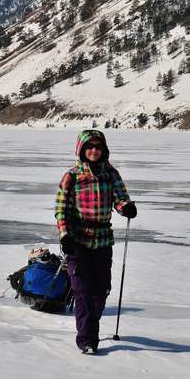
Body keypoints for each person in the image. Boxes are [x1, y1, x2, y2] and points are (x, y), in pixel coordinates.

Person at [54, 129, 137, 355]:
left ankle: (90, 326)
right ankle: (87, 339)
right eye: (89, 147)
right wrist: (65, 235)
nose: (94, 151)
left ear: (104, 150)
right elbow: (62, 210)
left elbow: (120, 198)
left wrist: (125, 207)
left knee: (101, 291)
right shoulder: (71, 177)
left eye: (98, 147)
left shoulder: (111, 174)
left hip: (102, 240)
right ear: (81, 149)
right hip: (78, 240)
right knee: (82, 291)